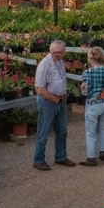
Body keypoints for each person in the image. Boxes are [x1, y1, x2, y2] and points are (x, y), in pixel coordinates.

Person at [33, 40, 77, 170]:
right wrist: (55, 99)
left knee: (62, 131)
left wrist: (63, 96)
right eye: (55, 52)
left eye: (60, 52)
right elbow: (39, 89)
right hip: (48, 102)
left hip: (60, 101)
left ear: (64, 52)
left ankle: (61, 157)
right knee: (43, 132)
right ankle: (38, 160)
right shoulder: (44, 64)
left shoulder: (59, 62)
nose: (57, 55)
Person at [80, 46, 104, 166]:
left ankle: (91, 157)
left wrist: (83, 90)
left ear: (90, 57)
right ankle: (103, 151)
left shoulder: (87, 73)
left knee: (90, 132)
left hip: (93, 104)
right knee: (101, 128)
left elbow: (85, 91)